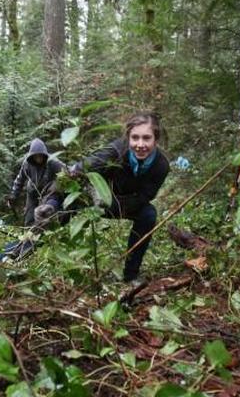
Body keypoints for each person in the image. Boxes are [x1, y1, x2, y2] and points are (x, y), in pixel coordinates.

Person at [63, 112, 170, 284]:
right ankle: (20, 249)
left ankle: (131, 275)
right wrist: (52, 201)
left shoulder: (161, 166)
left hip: (122, 204)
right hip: (94, 198)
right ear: (128, 138)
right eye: (135, 138)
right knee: (59, 207)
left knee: (149, 214)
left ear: (155, 140)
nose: (140, 144)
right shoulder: (115, 151)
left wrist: (112, 204)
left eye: (146, 138)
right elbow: (78, 171)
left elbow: (145, 197)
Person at [6, 138, 66, 226]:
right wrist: (14, 195)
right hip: (32, 192)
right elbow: (19, 180)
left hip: (48, 191)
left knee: (44, 214)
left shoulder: (52, 162)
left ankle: (44, 233)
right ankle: (29, 235)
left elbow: (67, 171)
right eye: (36, 156)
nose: (38, 158)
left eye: (40, 156)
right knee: (29, 218)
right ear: (32, 156)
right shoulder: (27, 164)